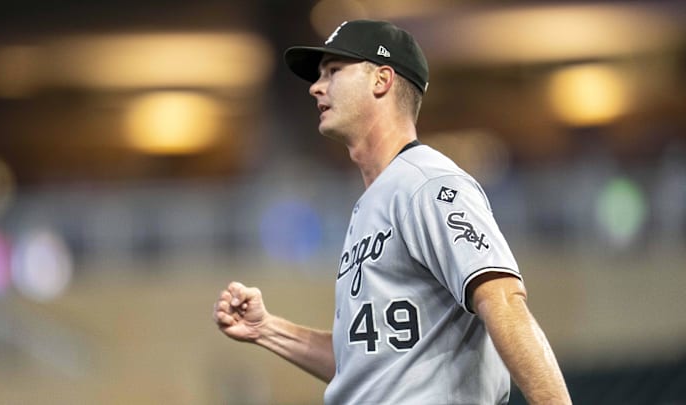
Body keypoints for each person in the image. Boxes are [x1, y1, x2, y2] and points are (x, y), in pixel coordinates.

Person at [214, 19, 571, 404]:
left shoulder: (429, 183)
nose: (316, 86)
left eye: (333, 71)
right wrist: (267, 330)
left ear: (381, 80)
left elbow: (503, 302)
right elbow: (367, 366)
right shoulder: (374, 200)